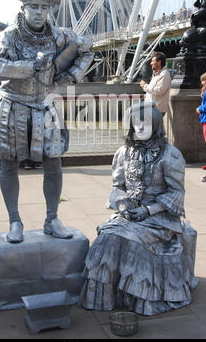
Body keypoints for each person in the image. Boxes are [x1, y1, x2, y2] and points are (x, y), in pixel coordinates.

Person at [0, 0, 94, 243]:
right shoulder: (8, 36)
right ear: (23, 9)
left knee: (54, 163)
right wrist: (31, 65)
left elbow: (88, 48)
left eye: (44, 8)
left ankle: (52, 218)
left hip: (45, 105)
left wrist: (70, 76)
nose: (39, 12)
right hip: (13, 105)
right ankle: (15, 221)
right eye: (34, 7)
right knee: (9, 163)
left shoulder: (59, 36)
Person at [79, 102, 198, 316]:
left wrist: (147, 211)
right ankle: (108, 298)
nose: (140, 129)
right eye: (136, 124)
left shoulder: (170, 154)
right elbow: (117, 186)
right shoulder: (123, 152)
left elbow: (176, 194)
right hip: (129, 214)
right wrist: (123, 204)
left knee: (131, 241)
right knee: (107, 237)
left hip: (159, 217)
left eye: (145, 124)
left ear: (156, 125)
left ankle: (139, 297)